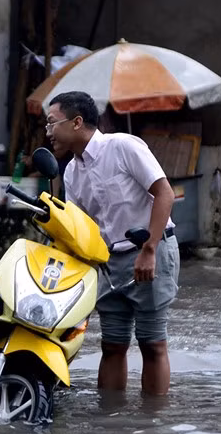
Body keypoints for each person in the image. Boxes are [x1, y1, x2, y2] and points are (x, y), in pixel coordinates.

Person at [45, 91, 179, 396]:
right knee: (112, 345)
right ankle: (110, 422)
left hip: (149, 252)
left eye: (52, 123)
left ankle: (152, 425)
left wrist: (150, 250)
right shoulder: (71, 172)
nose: (48, 132)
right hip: (107, 262)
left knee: (153, 343)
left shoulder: (122, 147)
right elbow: (79, 229)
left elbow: (165, 193)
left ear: (77, 122)